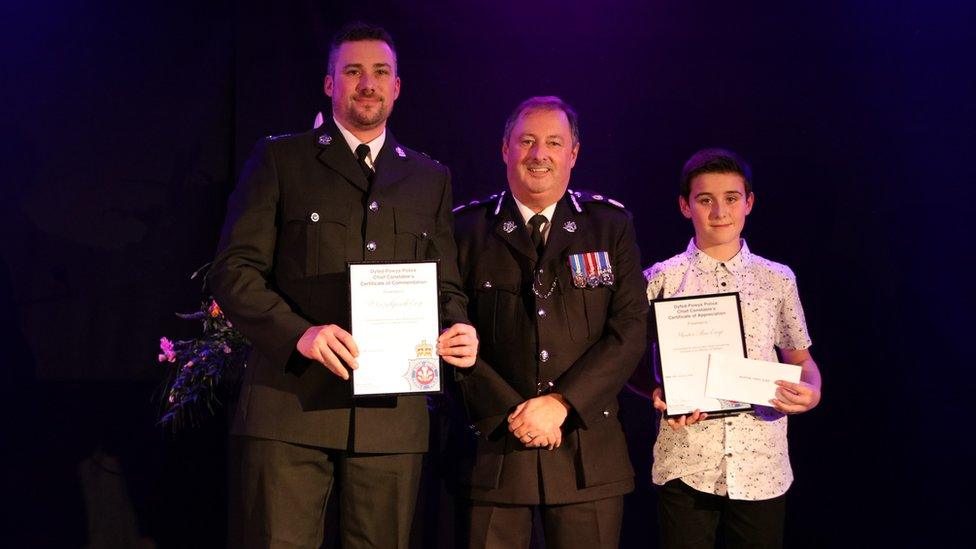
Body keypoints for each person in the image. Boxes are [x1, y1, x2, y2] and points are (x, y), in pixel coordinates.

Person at [209, 22, 478, 548]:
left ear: (398, 86)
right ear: (330, 84)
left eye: (380, 72)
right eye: (352, 71)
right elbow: (233, 270)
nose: (367, 83)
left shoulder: (429, 178)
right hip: (288, 408)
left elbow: (446, 284)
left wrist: (457, 326)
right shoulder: (282, 160)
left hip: (391, 421)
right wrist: (299, 335)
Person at [452, 96, 648, 548]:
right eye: (527, 141)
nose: (539, 154)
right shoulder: (466, 230)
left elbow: (629, 329)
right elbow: (449, 329)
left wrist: (562, 403)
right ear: (505, 149)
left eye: (554, 143)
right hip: (495, 447)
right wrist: (514, 413)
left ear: (573, 154)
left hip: (586, 450)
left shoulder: (609, 225)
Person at [645, 148, 823, 548]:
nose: (719, 211)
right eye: (705, 199)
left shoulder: (777, 279)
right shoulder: (660, 279)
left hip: (761, 461)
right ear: (685, 206)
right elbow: (623, 353)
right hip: (686, 458)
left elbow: (802, 359)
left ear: (749, 203)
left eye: (731, 198)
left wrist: (811, 394)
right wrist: (657, 390)